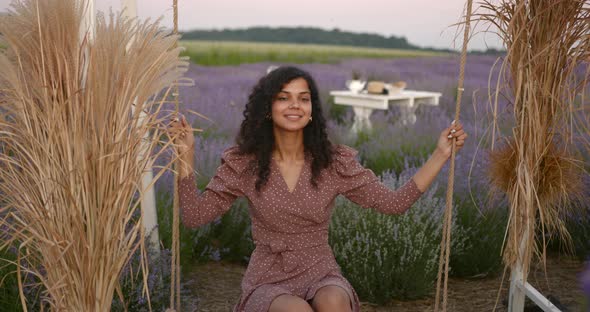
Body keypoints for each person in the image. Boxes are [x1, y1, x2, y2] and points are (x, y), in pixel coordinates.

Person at [167, 66, 467, 312]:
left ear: (312, 110)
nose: (295, 105)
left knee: (334, 302)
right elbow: (194, 216)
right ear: (268, 109)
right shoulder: (246, 164)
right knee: (296, 310)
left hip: (319, 270)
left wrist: (441, 153)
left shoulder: (333, 162)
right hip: (268, 276)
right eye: (284, 97)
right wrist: (186, 157)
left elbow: (394, 203)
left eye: (303, 98)